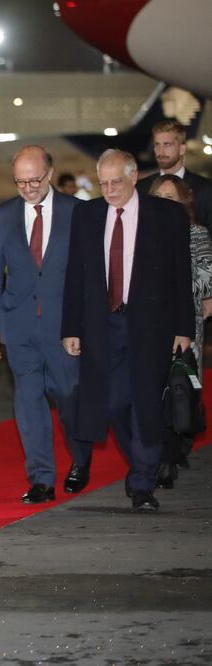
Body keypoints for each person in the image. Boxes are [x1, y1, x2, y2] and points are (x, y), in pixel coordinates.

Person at [62, 149, 194, 511]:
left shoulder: (167, 216)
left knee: (147, 402)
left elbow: (181, 274)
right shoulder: (86, 215)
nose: (108, 190)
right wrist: (70, 327)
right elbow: (76, 275)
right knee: (114, 402)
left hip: (151, 324)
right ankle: (143, 459)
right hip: (103, 324)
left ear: (134, 177)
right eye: (102, 183)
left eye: (115, 182)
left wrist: (185, 327)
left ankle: (141, 483)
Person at [0, 146, 93, 503]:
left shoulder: (77, 212)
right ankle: (41, 478)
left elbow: (89, 277)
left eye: (34, 180)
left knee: (71, 399)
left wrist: (83, 326)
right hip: (19, 327)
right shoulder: (4, 215)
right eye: (20, 182)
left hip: (65, 329)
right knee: (29, 406)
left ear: (49, 173)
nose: (27, 188)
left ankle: (80, 459)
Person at [147, 174, 212, 486]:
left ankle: (172, 453)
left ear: (183, 202)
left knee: (179, 392)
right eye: (158, 195)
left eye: (170, 196)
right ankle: (164, 456)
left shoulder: (196, 233)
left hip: (184, 325)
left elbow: (206, 279)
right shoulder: (140, 234)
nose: (163, 201)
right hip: (149, 326)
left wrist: (175, 285)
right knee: (154, 395)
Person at [136, 119, 212, 235]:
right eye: (157, 145)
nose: (160, 151)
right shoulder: (141, 188)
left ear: (182, 149)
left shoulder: (206, 189)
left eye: (167, 145)